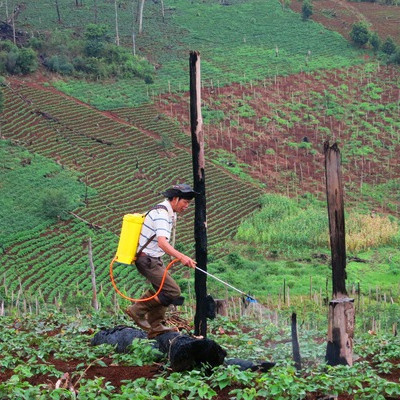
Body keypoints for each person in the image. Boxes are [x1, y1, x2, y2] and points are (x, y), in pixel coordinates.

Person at [125, 184, 197, 338]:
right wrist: (182, 257)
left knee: (163, 290)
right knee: (173, 291)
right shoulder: (162, 215)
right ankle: (137, 310)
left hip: (154, 258)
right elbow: (162, 243)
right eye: (185, 202)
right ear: (176, 199)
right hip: (148, 259)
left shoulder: (166, 211)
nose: (187, 206)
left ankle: (155, 326)